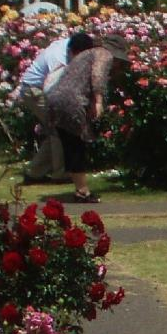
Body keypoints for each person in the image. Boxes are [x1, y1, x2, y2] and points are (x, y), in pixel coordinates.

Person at [43, 33, 121, 204]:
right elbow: (97, 76)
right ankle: (82, 192)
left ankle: (80, 189)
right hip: (72, 100)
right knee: (77, 145)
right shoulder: (103, 54)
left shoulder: (85, 55)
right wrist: (98, 101)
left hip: (55, 99)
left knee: (70, 145)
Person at [16, 29, 80, 182]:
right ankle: (60, 174)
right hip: (35, 90)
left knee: (55, 132)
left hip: (36, 88)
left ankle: (34, 173)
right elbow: (53, 85)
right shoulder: (58, 58)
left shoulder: (70, 47)